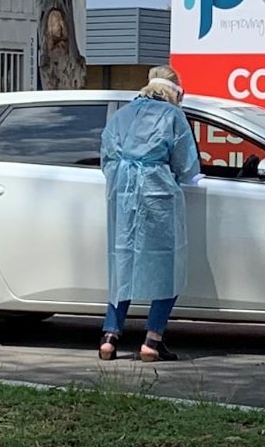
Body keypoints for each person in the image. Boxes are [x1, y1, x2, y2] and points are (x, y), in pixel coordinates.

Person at [98, 66, 203, 362]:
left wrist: (123, 178)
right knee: (166, 266)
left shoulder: (120, 115)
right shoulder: (173, 116)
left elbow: (106, 157)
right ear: (175, 92)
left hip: (121, 194)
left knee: (122, 264)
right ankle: (152, 342)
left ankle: (109, 337)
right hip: (157, 192)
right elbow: (186, 165)